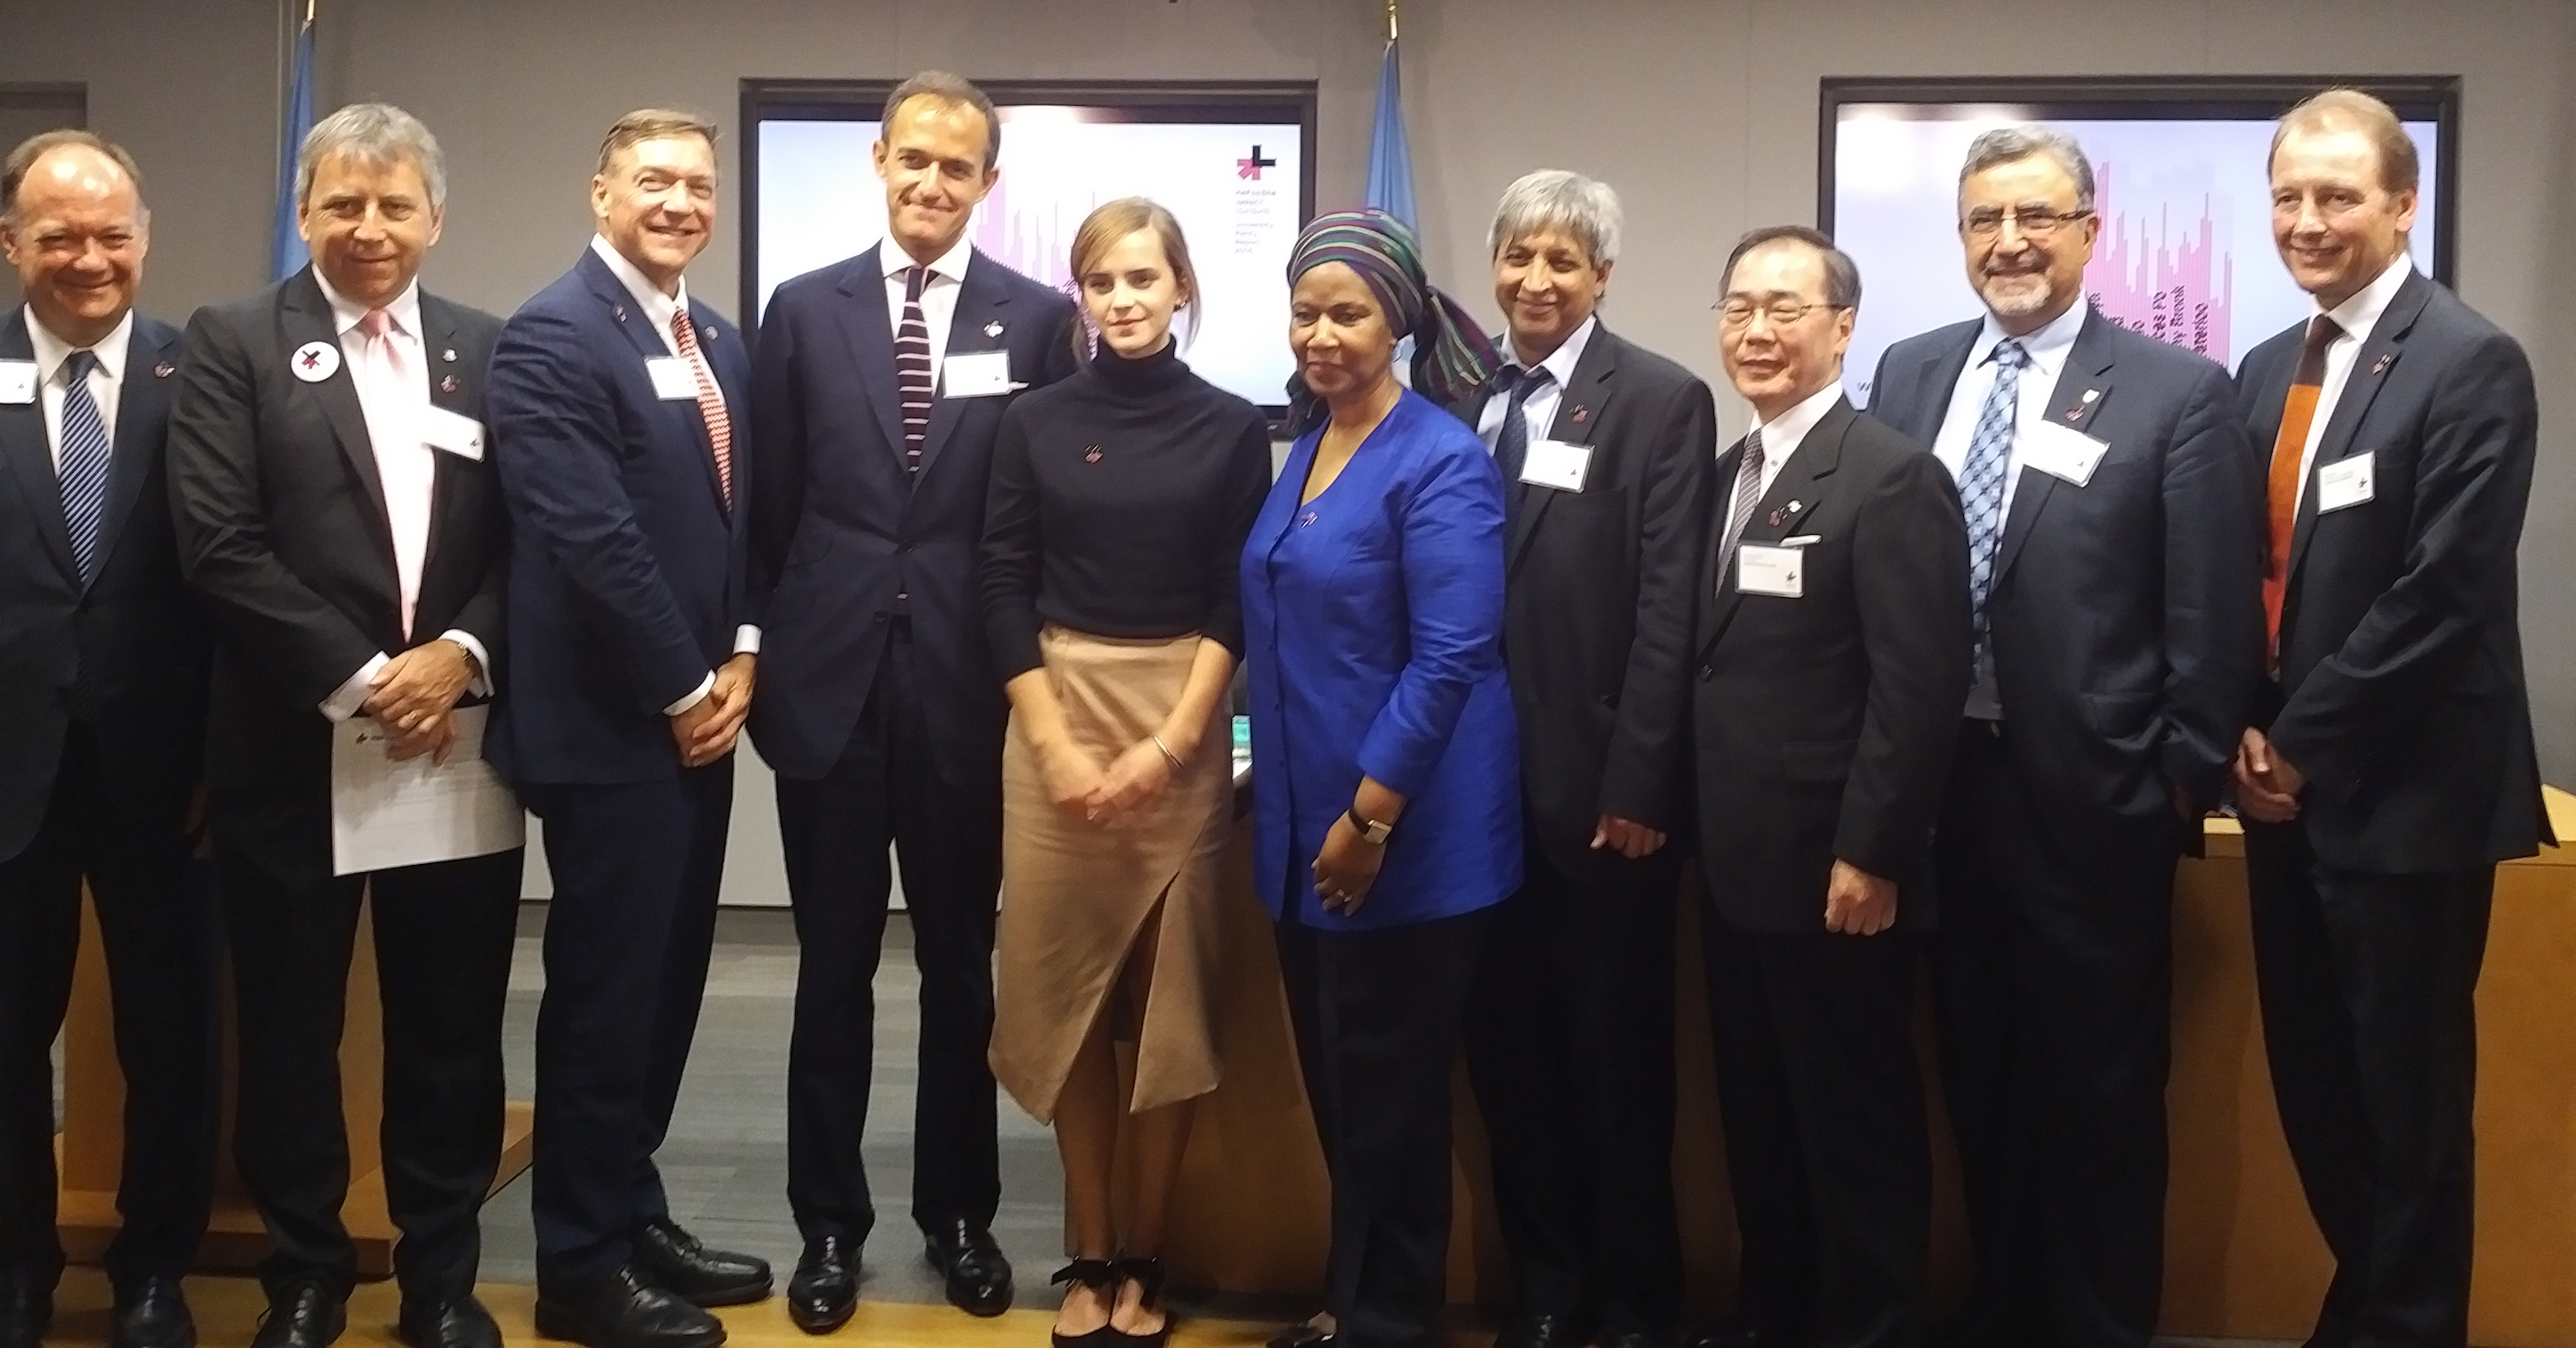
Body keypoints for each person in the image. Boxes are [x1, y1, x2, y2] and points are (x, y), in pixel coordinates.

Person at [1864, 126, 2264, 1348]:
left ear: (2090, 230)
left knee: (2096, 1093)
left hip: (2097, 805)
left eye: (2036, 216)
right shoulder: (1913, 371)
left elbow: (2209, 610)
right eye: (1986, 219)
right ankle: (2002, 1308)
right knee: (1976, 1070)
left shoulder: (2175, 391)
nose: (2011, 241)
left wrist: (2174, 789)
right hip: (1943, 799)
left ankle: (2094, 1324)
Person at [165, 103, 520, 1348]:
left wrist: (461, 651)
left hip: (455, 750)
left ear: (436, 216)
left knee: (449, 1028)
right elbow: (217, 541)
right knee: (289, 1025)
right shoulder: (234, 341)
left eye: (394, 204)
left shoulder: (489, 348)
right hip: (289, 747)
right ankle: (305, 1268)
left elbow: (528, 541)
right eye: (343, 203)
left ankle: (440, 1276)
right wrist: (373, 674)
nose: (369, 227)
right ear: (306, 211)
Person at [746, 69, 1079, 1328]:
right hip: (828, 684)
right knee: (830, 970)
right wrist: (756, 645)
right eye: (914, 160)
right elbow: (766, 509)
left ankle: (959, 1215)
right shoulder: (803, 308)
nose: (932, 183)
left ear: (988, 184)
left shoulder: (1039, 319)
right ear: (879, 163)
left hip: (967, 691)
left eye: (958, 167)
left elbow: (1040, 515)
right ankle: (829, 1226)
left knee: (961, 971)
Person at [2232, 89, 2548, 1348]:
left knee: (2408, 1105)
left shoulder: (2469, 360)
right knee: (2318, 1088)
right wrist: (2242, 735)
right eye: (2289, 198)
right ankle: (2365, 1306)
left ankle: (2409, 1321)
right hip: (2278, 799)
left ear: (2403, 204)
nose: (2308, 221)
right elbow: (2248, 579)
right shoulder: (2269, 367)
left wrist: (2301, 741)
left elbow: (2445, 593)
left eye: (2338, 196)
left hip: (2403, 804)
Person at [486, 109, 771, 1348]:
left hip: (699, 710)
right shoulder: (552, 335)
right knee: (605, 994)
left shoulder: (714, 335)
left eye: (697, 184)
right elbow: (589, 536)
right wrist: (684, 685)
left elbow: (745, 513)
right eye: (653, 179)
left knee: (666, 983)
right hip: (612, 725)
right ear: (600, 188)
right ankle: (578, 1263)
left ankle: (633, 1202)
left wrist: (746, 650)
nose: (678, 201)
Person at [980, 197, 1270, 1348]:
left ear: (1182, 288)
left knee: (1168, 1004)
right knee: (1071, 1003)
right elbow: (1000, 578)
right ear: (1082, 295)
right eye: (1103, 281)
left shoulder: (1232, 425)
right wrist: (1054, 744)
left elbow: (1230, 594)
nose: (1124, 299)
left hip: (1182, 728)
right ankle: (1090, 1250)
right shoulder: (1036, 420)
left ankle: (1148, 1251)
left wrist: (1168, 745)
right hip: (1054, 717)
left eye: (1144, 278)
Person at [1242, 209, 1518, 1348]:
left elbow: (1452, 653)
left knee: (1395, 1106)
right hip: (1303, 825)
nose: (1321, 335)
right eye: (1306, 312)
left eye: (1347, 313)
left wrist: (1370, 815)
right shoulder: (1309, 444)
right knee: (1346, 1097)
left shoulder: (1440, 458)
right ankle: (1350, 1303)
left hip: (1403, 834)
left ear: (1396, 324)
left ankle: (1388, 1317)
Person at [1450, 170, 1713, 1348]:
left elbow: (1671, 610)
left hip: (1604, 804)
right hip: (1473, 803)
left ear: (1604, 275)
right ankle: (1548, 1286)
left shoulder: (1659, 399)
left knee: (1616, 1065)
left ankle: (1638, 1299)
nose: (1536, 280)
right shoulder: (1458, 399)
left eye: (1563, 260)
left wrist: (1641, 781)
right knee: (1511, 1060)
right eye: (1519, 257)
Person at [1694, 227, 1969, 1348]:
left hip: (1834, 880)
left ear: (1842, 327)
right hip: (1734, 873)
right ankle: (1775, 1320)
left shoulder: (1892, 475)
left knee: (1853, 1130)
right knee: (1761, 1128)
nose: (1757, 331)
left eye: (1785, 309)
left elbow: (1918, 691)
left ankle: (1873, 1327)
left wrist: (1873, 853)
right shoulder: (1729, 473)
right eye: (1739, 308)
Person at [0, 131, 215, 1348]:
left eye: (112, 231)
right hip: (7, 773)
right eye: (60, 234)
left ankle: (153, 1269)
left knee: (171, 1033)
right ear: (12, 243)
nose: (90, 256)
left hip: (167, 775)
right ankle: (19, 1268)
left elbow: (241, 581)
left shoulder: (209, 372)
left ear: (146, 233)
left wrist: (223, 760)